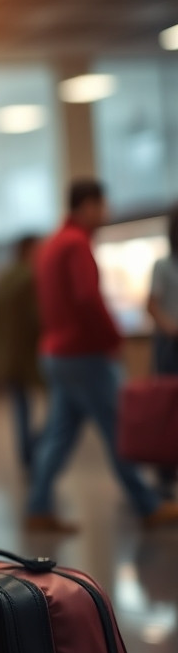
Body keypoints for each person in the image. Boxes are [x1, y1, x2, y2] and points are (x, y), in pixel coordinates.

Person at [25, 180, 178, 532]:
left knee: (59, 433)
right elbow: (87, 299)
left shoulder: (52, 245)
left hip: (57, 353)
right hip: (83, 354)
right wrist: (112, 337)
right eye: (102, 205)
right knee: (120, 426)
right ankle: (147, 504)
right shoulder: (76, 243)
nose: (105, 213)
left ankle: (38, 505)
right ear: (88, 206)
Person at [0, 236, 43, 473]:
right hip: (25, 355)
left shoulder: (4, 278)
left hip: (5, 355)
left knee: (20, 408)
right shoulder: (29, 277)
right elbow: (36, 319)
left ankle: (27, 454)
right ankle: (31, 450)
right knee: (62, 407)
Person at [147, 204, 178, 498]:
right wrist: (171, 328)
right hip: (170, 345)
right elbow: (152, 305)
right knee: (168, 408)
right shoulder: (164, 266)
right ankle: (165, 472)